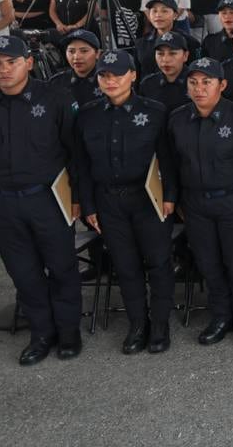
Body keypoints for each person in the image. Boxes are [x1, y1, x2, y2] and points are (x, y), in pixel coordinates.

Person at [0, 36, 80, 365]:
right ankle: (41, 334)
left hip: (49, 199)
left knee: (63, 267)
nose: (4, 69)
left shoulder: (55, 98)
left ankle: (69, 332)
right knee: (24, 273)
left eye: (11, 61)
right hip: (2, 203)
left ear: (28, 62)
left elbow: (74, 153)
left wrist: (78, 198)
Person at [72, 50, 177, 354]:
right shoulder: (87, 115)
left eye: (118, 74)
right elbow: (82, 166)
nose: (111, 80)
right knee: (125, 266)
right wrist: (88, 206)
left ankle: (159, 324)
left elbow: (168, 160)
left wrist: (170, 197)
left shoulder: (155, 111)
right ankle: (137, 324)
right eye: (104, 75)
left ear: (133, 76)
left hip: (148, 200)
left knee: (158, 263)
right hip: (108, 202)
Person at [165, 57, 233, 349]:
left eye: (207, 82)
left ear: (222, 85)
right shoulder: (177, 119)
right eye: (193, 82)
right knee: (209, 264)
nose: (199, 88)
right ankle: (221, 317)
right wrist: (175, 198)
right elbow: (171, 164)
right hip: (196, 204)